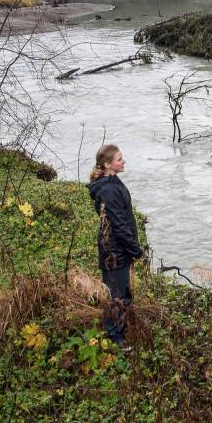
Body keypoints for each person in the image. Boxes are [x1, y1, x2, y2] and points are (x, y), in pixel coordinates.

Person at [87, 144, 145, 348]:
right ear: (107, 164)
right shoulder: (109, 190)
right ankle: (116, 337)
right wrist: (136, 251)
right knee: (117, 296)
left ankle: (118, 327)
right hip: (114, 252)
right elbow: (119, 226)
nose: (124, 161)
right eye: (120, 159)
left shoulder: (110, 182)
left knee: (121, 292)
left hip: (117, 250)